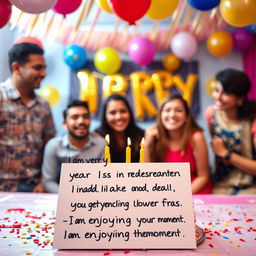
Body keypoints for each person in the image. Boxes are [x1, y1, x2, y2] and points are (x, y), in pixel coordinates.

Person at [0, 43, 56, 192]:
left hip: (35, 189)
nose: (44, 73)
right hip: (3, 188)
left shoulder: (43, 105)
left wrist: (44, 182)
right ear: (16, 67)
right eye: (38, 68)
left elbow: (50, 148)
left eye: (44, 68)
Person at [144, 94, 212, 194]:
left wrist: (180, 196)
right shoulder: (154, 137)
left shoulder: (196, 137)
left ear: (186, 117)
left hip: (194, 193)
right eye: (167, 110)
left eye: (178, 110)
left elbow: (203, 176)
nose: (172, 115)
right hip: (166, 194)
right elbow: (147, 175)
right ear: (161, 115)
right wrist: (147, 145)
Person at [205, 68, 256, 194]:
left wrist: (226, 154)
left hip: (251, 185)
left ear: (240, 98)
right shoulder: (211, 114)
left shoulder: (252, 121)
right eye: (217, 90)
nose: (218, 97)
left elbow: (220, 151)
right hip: (221, 184)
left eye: (226, 93)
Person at [42, 100, 106, 193]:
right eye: (74, 117)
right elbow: (48, 181)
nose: (81, 121)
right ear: (64, 124)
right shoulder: (54, 146)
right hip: (63, 197)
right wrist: (67, 195)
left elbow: (103, 177)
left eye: (85, 117)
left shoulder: (101, 144)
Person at [96, 94, 144, 162]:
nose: (119, 117)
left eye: (123, 111)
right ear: (105, 116)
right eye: (113, 113)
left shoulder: (142, 136)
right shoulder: (96, 138)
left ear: (129, 113)